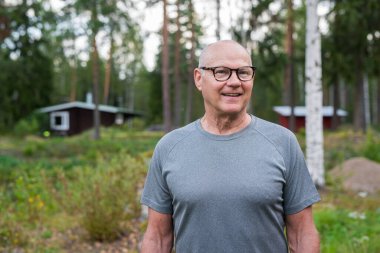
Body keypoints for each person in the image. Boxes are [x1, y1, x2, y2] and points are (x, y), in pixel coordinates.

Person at [140, 40, 320, 253]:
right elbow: (158, 238)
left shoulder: (283, 143)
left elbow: (302, 233)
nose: (235, 82)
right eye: (222, 72)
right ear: (199, 78)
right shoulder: (169, 148)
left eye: (243, 72)